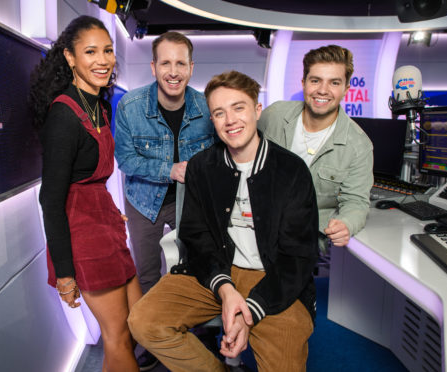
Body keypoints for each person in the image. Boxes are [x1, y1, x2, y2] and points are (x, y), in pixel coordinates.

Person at [127, 70, 319, 372]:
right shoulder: (203, 166)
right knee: (143, 321)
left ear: (257, 110)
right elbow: (195, 236)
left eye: (238, 107)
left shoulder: (291, 171)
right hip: (215, 270)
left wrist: (249, 312)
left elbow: (298, 257)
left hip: (274, 278)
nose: (230, 120)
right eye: (219, 112)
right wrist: (225, 288)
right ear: (212, 121)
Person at [29, 15, 141, 372]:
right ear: (70, 57)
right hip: (83, 236)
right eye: (90, 51)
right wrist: (65, 274)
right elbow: (51, 199)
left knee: (136, 326)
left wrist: (109, 210)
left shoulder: (100, 104)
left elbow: (91, 177)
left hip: (105, 224)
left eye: (107, 51)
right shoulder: (63, 114)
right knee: (118, 336)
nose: (103, 60)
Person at [114, 30, 215, 371]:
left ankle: (198, 332)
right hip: (144, 201)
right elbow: (126, 161)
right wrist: (169, 169)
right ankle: (150, 339)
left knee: (198, 268)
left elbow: (219, 155)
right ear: (154, 66)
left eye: (181, 63)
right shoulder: (130, 106)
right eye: (166, 63)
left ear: (191, 67)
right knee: (147, 273)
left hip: (194, 202)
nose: (173, 71)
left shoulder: (206, 106)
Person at [258, 45, 373, 249]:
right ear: (303, 83)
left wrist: (346, 224)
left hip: (304, 242)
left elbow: (356, 202)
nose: (322, 90)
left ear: (346, 89)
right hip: (256, 229)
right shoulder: (274, 115)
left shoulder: (358, 145)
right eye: (315, 80)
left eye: (334, 82)